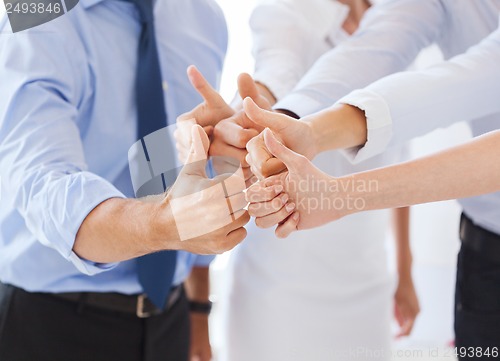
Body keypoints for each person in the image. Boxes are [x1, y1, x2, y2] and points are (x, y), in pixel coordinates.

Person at [242, 4, 500, 352]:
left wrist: (339, 191)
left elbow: (475, 76)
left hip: (368, 267)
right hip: (485, 256)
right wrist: (299, 126)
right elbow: (373, 49)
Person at [0, 1, 249, 361]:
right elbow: (46, 187)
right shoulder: (34, 11)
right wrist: (166, 223)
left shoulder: (202, 14)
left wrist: (197, 310)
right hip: (47, 325)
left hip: (171, 320)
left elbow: (192, 170)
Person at [176, 1, 419, 360]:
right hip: (280, 289)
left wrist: (405, 269)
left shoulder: (402, 26)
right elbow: (277, 70)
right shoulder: (288, 13)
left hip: (367, 285)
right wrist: (251, 112)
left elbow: (400, 160)